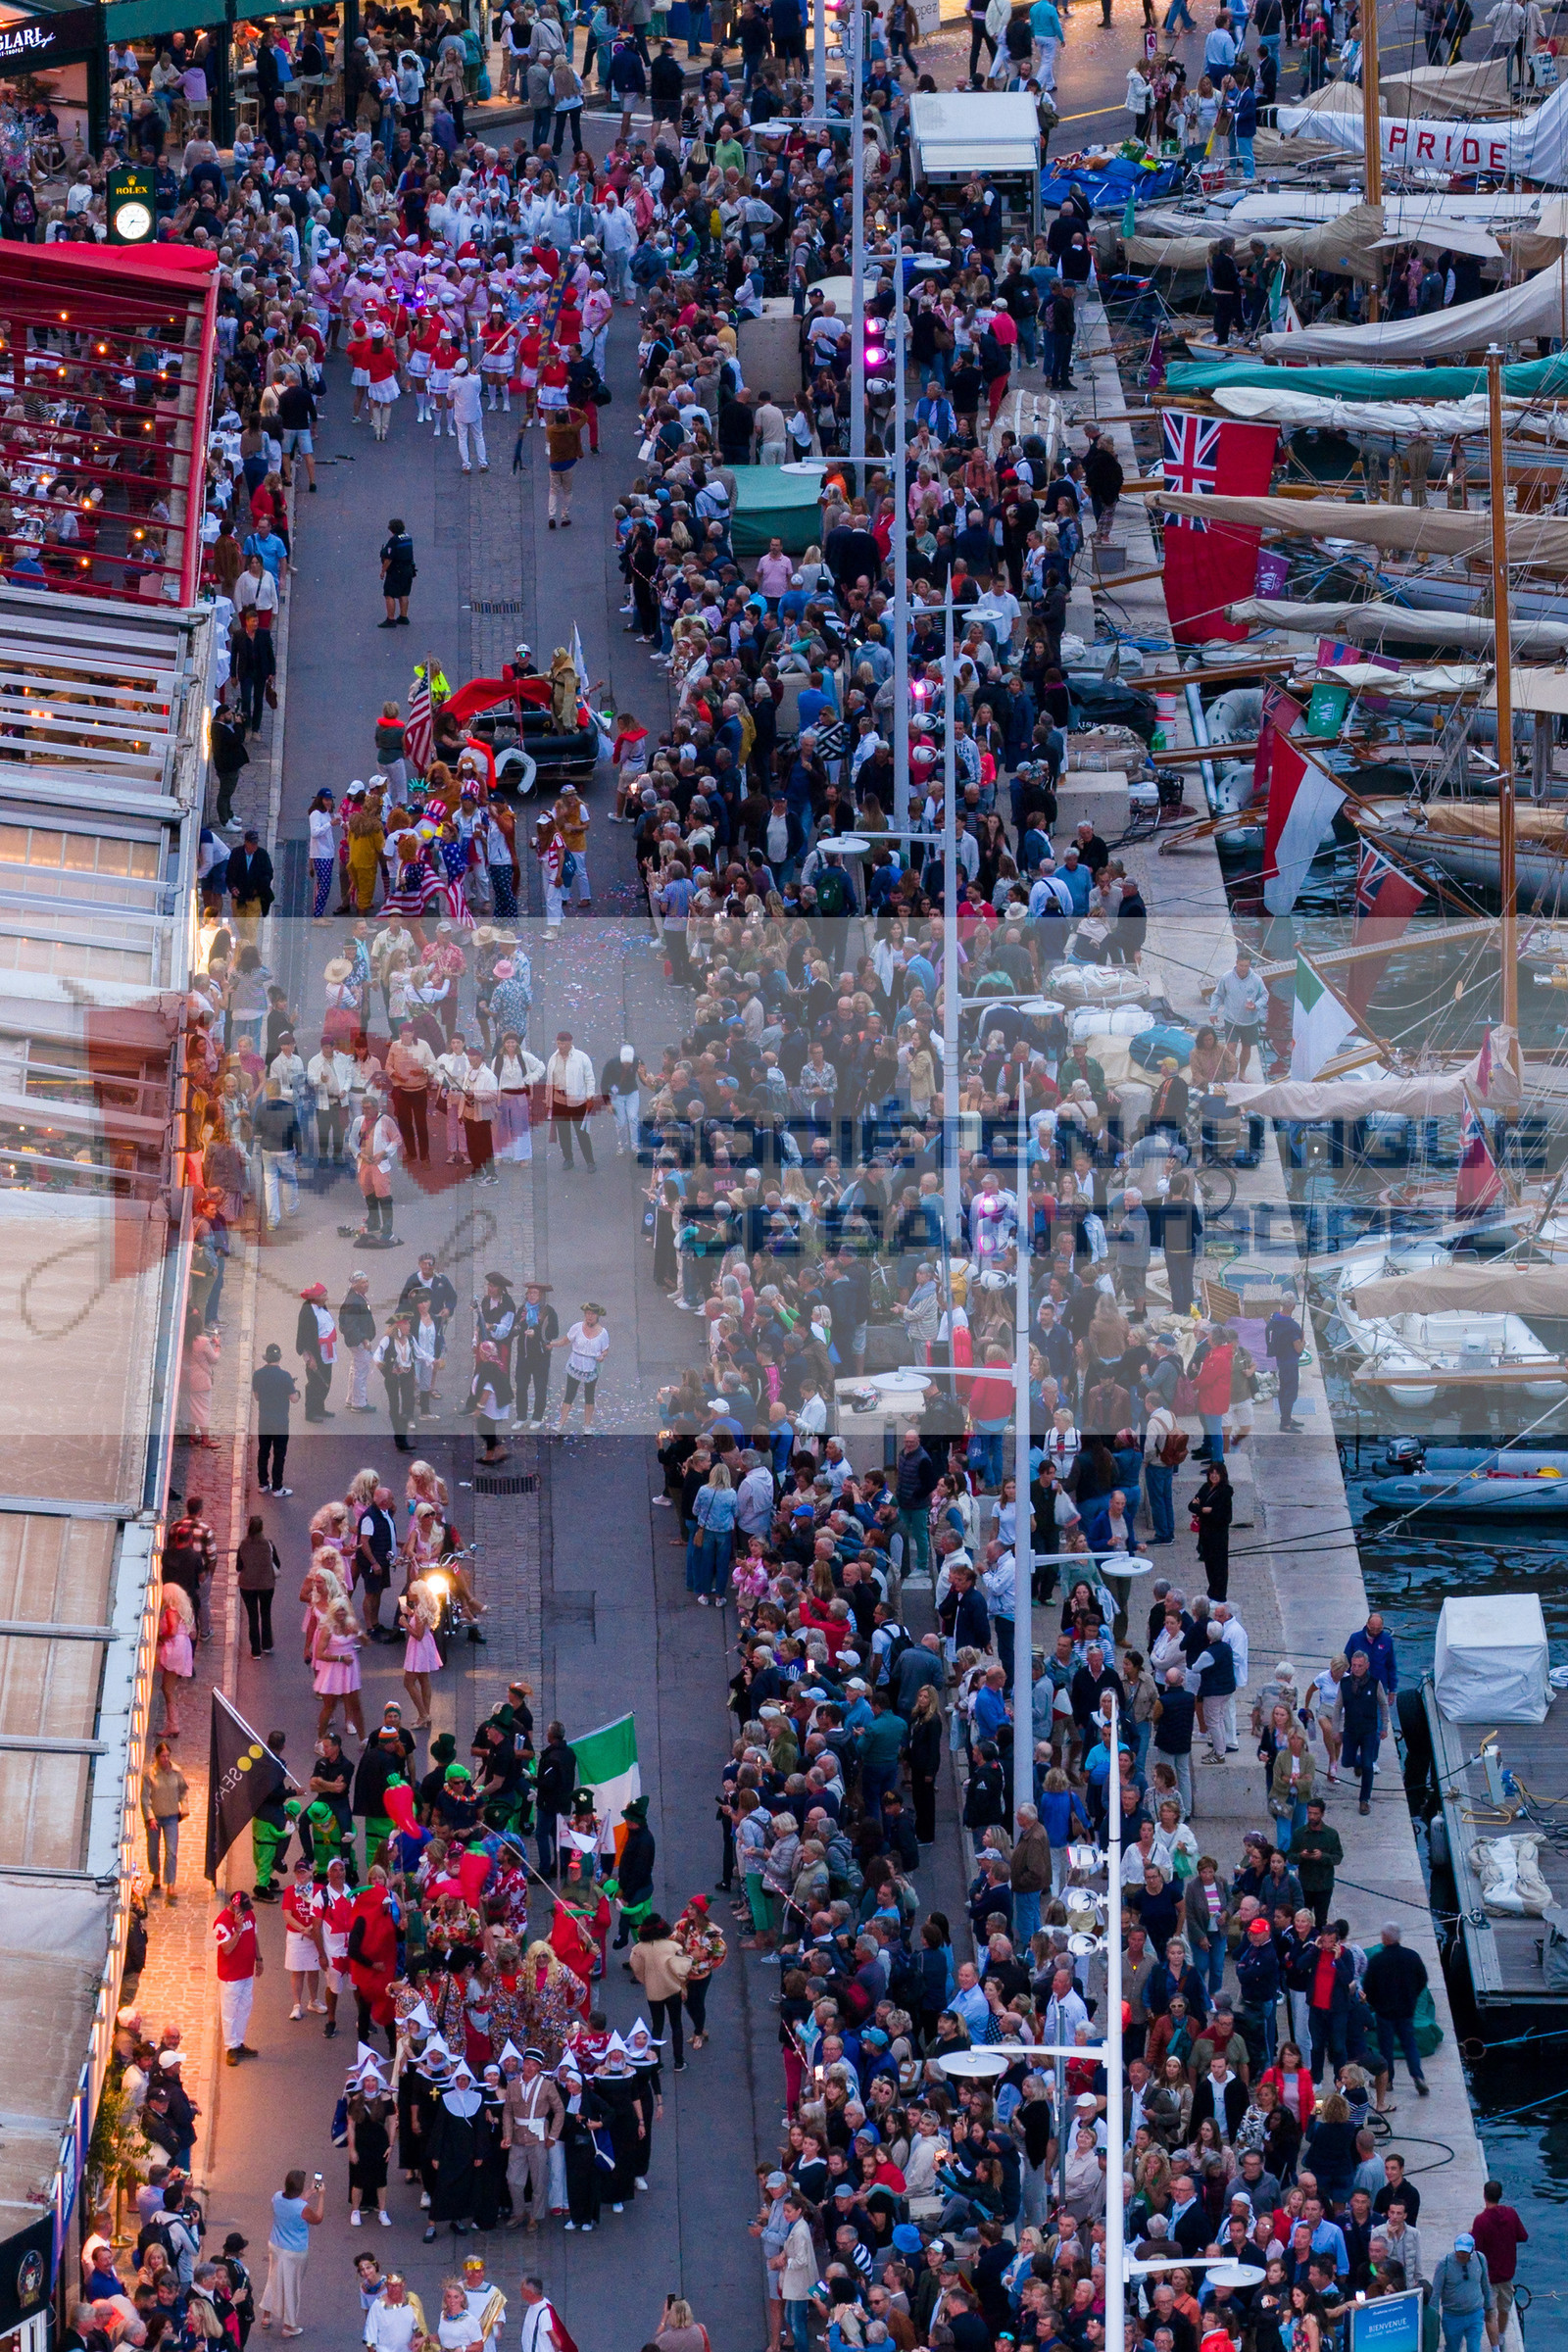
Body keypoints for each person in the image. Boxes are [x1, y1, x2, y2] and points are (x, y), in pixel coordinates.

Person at [1362, 1923, 1431, 2098]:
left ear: (1384, 1938)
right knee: (1410, 2044)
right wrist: (1412, 1997)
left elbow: (1368, 1985)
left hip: (1384, 2012)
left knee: (1386, 2048)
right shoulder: (1412, 1957)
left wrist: (1376, 2003)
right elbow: (1422, 1979)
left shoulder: (1377, 1960)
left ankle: (1388, 2080)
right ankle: (1417, 2076)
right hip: (1406, 2011)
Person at [257, 2168, 325, 2335]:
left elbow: (291, 2203)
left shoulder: (277, 2197)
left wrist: (308, 2193)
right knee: (291, 2286)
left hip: (275, 2245)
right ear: (300, 2187)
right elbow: (318, 2219)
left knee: (273, 2279)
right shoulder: (303, 2208)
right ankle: (289, 2325)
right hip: (294, 2252)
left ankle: (266, 2316)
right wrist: (321, 2196)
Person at [1471, 2182, 1527, 2337]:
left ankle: (1495, 2345)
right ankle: (1501, 2337)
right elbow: (1523, 2236)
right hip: (1507, 2275)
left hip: (1489, 2277)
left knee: (1490, 2314)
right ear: (1501, 2195)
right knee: (1505, 2309)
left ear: (1484, 2195)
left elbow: (1476, 2250)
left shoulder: (1481, 2221)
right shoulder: (1511, 2214)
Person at [215, 1888, 263, 2066]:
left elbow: (254, 1937)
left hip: (246, 1972)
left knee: (244, 2008)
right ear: (234, 1906)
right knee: (229, 2012)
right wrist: (238, 1930)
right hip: (230, 1976)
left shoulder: (249, 1915)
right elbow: (227, 1949)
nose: (246, 1911)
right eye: (242, 1908)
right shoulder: (221, 1922)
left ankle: (239, 2042)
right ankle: (230, 2047)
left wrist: (259, 1958)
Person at [141, 1739, 189, 1906]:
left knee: (171, 1851)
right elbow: (145, 1798)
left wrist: (184, 1807)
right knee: (153, 1850)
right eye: (162, 1756)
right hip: (155, 1818)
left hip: (171, 1817)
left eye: (168, 1756)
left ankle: (171, 1884)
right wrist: (150, 1817)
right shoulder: (150, 1775)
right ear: (156, 1757)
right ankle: (155, 1874)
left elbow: (183, 1791)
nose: (165, 1759)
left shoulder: (176, 1772)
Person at [1428, 2233, 1494, 2352]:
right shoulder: (1445, 2263)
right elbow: (1436, 2292)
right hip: (1452, 2316)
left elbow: (1485, 2284)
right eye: (1459, 2250)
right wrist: (1434, 2317)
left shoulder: (1480, 2258)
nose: (1461, 2254)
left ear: (1472, 2249)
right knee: (1453, 2348)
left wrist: (1489, 2307)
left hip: (1475, 2313)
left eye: (1465, 2251)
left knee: (1474, 2348)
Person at [553, 1301, 610, 1433]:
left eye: (592, 1314)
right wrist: (552, 1344)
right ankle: (560, 1423)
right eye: (587, 1314)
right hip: (576, 1364)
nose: (589, 1317)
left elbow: (605, 1350)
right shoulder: (577, 1327)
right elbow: (565, 1341)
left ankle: (587, 1425)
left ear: (597, 1316)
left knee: (589, 1395)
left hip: (591, 1367)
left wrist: (602, 1356)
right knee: (569, 1394)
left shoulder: (603, 1333)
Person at [252, 1342, 298, 1494]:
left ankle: (263, 1483)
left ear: (266, 1357)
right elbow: (294, 1398)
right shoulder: (285, 1376)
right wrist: (296, 1390)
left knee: (263, 1451)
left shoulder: (257, 1374)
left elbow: (257, 1397)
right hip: (280, 1422)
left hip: (264, 1420)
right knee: (279, 1454)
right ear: (279, 1357)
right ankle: (277, 1487)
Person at [379, 518, 416, 626]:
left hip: (396, 571)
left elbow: (389, 558)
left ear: (392, 529)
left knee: (389, 594)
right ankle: (403, 616)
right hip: (408, 569)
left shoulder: (394, 540)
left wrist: (383, 571)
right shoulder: (408, 537)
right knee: (404, 593)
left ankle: (391, 619)